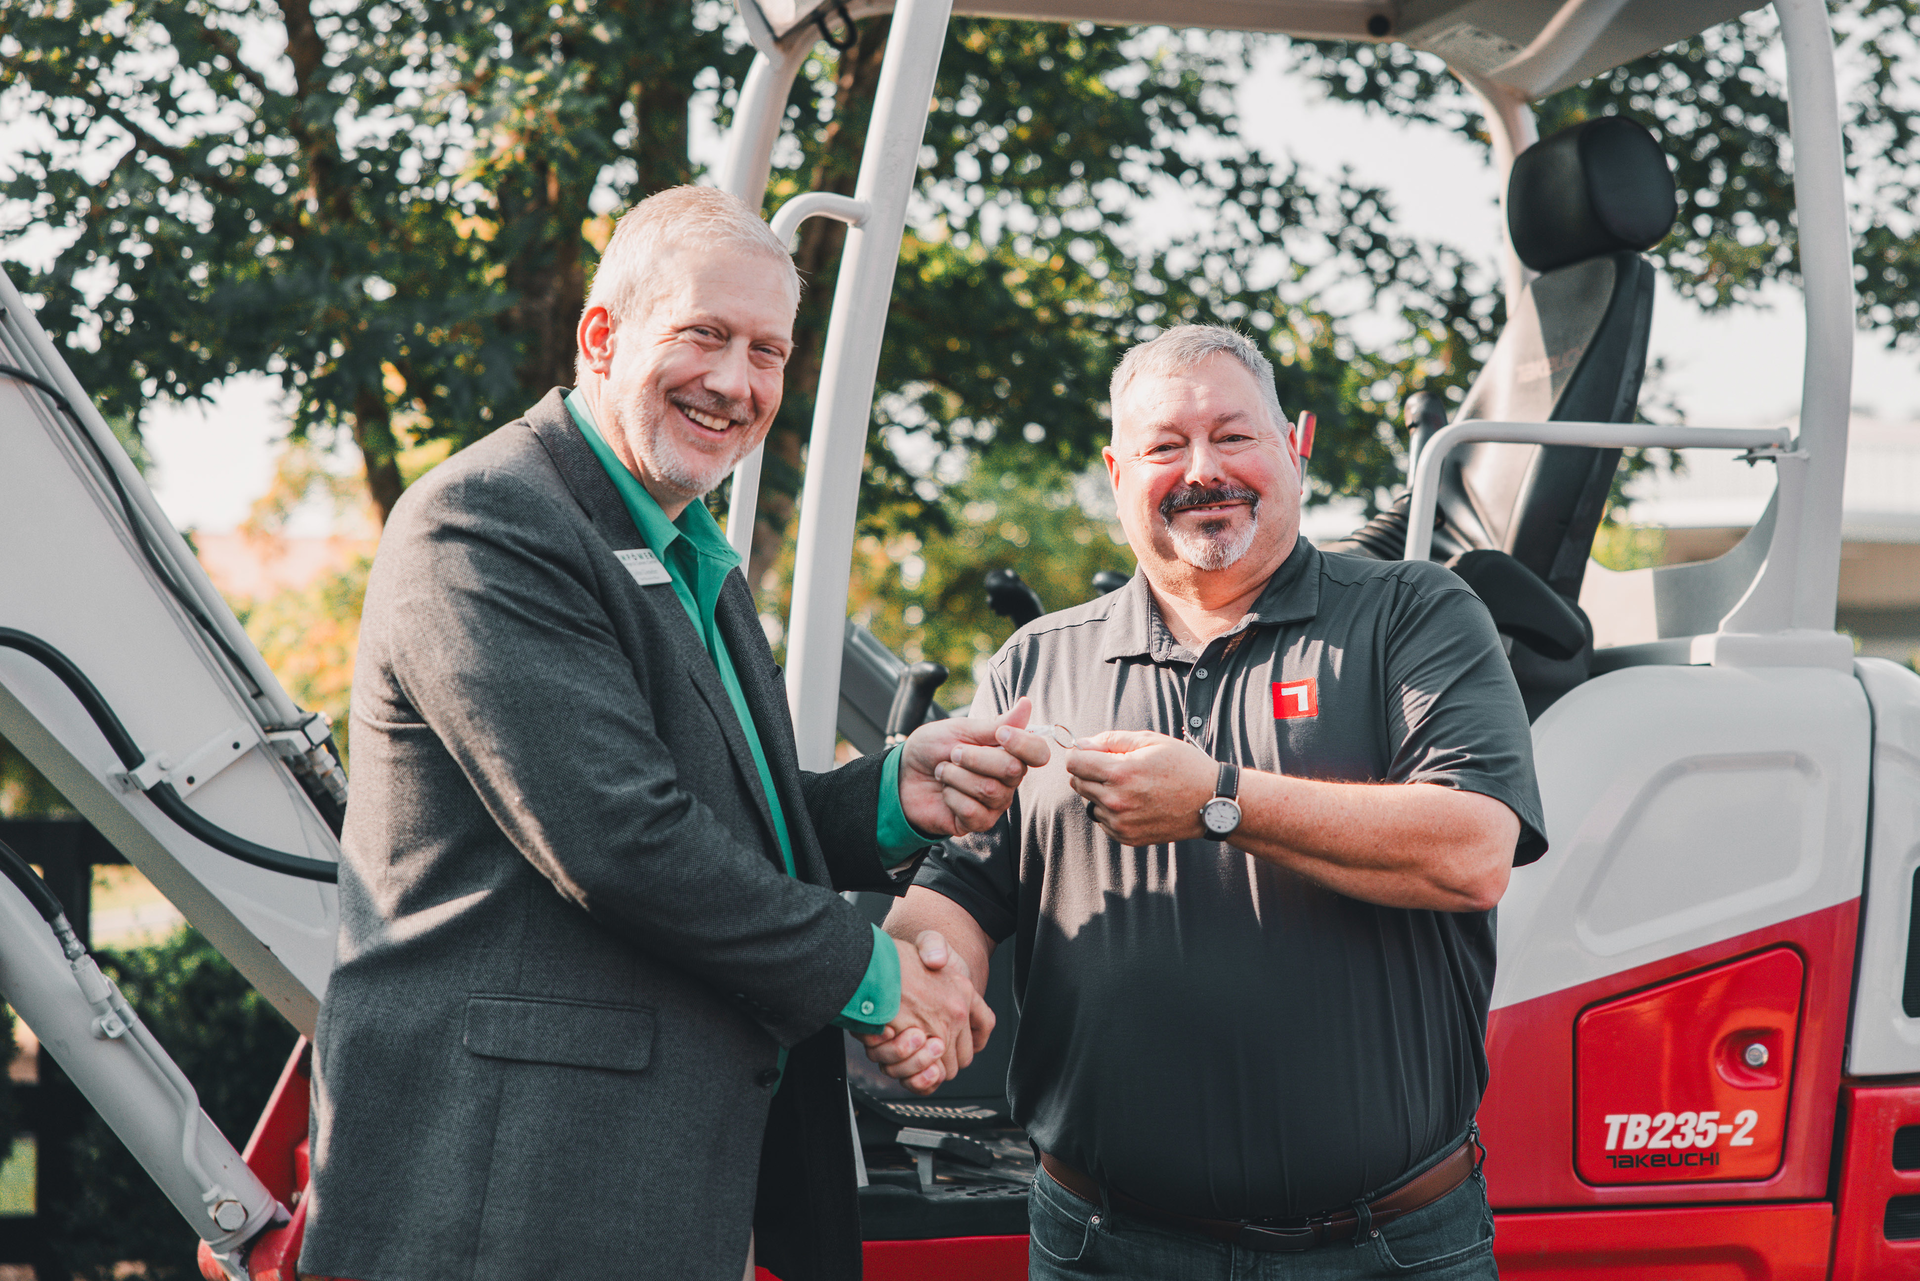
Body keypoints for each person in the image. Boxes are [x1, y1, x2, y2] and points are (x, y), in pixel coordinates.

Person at [300, 186, 1046, 1281]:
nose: (736, 384)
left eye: (768, 352)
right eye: (703, 334)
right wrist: (882, 978)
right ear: (601, 337)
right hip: (505, 1195)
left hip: (638, 1181)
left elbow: (708, 807)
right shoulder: (488, 520)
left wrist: (894, 794)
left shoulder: (687, 542)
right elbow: (622, 837)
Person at [872, 324, 1547, 1280]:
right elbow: (967, 882)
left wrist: (1218, 801)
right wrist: (919, 972)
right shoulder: (1039, 659)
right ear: (1116, 470)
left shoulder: (1414, 614)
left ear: (1293, 444)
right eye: (1163, 447)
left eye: (1233, 436)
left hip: (1385, 1250)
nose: (1203, 470)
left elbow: (1474, 850)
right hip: (1104, 1246)